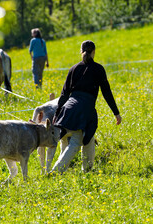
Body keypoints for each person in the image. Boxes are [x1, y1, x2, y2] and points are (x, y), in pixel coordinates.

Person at [51, 40, 122, 174]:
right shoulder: (98, 69)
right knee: (77, 142)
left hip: (69, 108)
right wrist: (116, 113)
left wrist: (57, 113)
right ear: (94, 52)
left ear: (81, 51)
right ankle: (55, 172)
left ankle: (88, 171)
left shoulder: (74, 69)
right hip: (84, 110)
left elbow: (64, 93)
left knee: (88, 137)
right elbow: (107, 92)